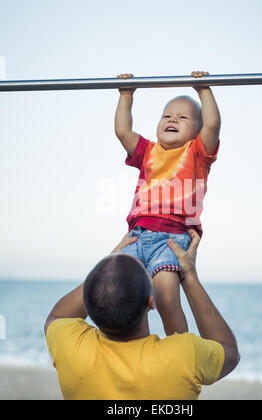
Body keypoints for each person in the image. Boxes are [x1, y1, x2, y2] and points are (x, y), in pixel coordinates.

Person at [45, 230, 240, 400]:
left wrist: (107, 268)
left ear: (88, 303)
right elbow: (229, 351)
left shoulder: (69, 346)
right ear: (151, 301)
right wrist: (190, 278)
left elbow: (58, 315)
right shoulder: (185, 355)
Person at [115, 71, 221, 335]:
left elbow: (212, 125)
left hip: (171, 239)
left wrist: (203, 90)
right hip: (137, 237)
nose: (173, 119)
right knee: (123, 293)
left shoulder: (197, 153)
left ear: (195, 132)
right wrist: (126, 95)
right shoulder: (148, 151)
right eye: (166, 115)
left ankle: (179, 348)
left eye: (183, 117)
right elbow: (122, 130)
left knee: (166, 297)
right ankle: (132, 343)